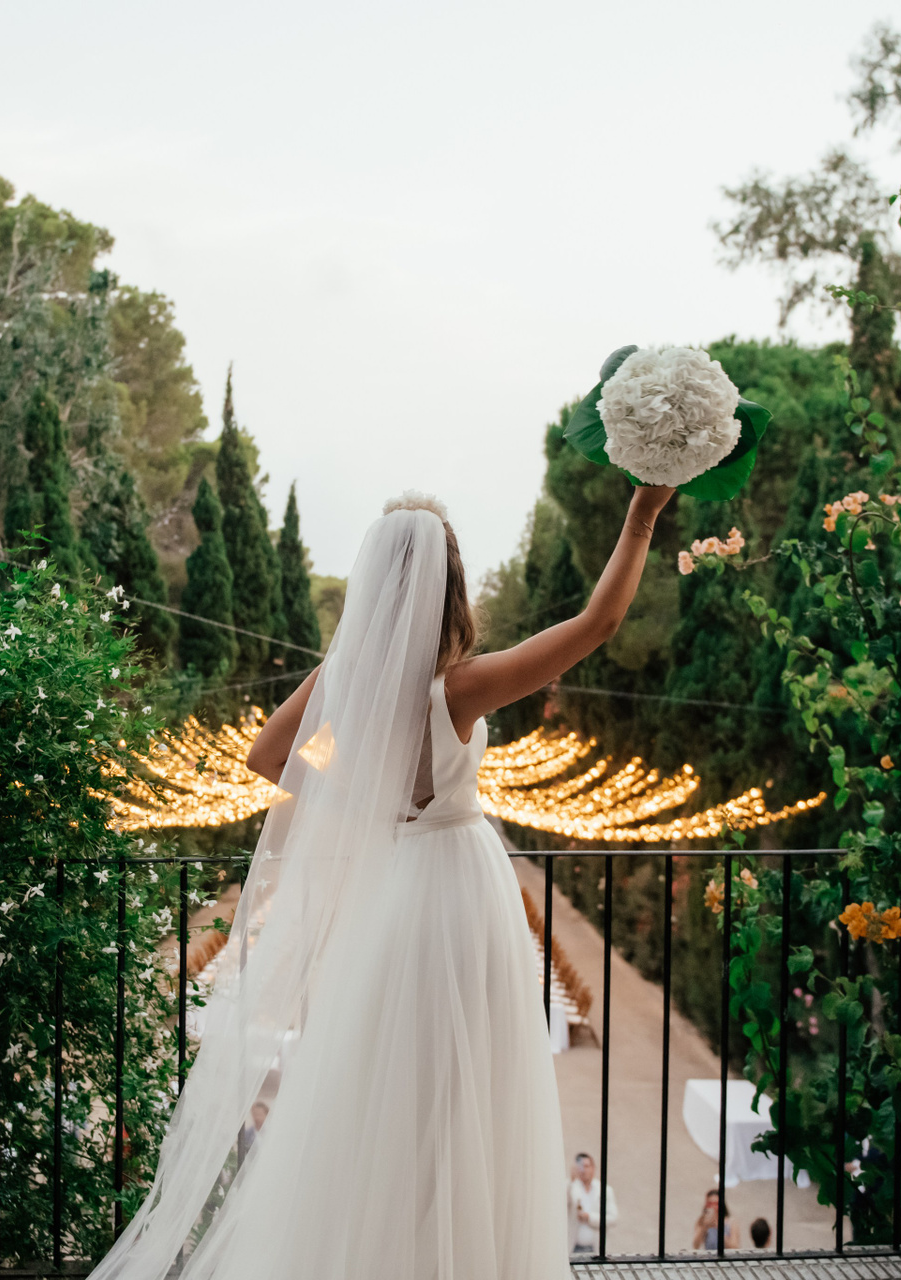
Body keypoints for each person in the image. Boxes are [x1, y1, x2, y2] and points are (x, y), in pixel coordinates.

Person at [88, 485, 676, 1280]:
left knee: (390, 1089)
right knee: (471, 1091)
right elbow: (597, 625)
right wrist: (640, 515)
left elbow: (265, 757)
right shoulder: (459, 689)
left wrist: (361, 802)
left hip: (395, 891)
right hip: (461, 893)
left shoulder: (343, 677)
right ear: (450, 588)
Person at [567, 1152, 618, 1254]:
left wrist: (589, 1217)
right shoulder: (571, 1187)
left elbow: (613, 1218)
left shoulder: (604, 1190)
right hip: (573, 1248)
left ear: (593, 1168)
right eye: (580, 1166)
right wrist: (571, 1181)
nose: (583, 1170)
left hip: (596, 1249)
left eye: (586, 1166)